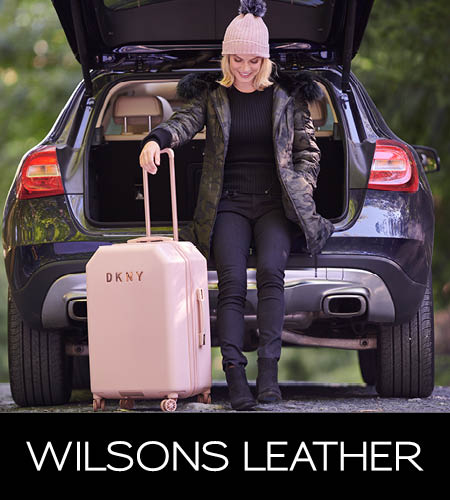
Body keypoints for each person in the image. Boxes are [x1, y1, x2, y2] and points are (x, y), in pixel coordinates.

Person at [139, 0, 334, 410]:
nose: (245, 68)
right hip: (227, 204)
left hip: (275, 205)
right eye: (237, 59)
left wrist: (301, 186)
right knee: (230, 282)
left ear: (265, 60)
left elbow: (308, 151)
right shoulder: (214, 97)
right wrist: (156, 140)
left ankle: (269, 376)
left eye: (253, 60)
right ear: (227, 58)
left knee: (271, 274)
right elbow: (183, 123)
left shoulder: (286, 97)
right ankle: (235, 377)